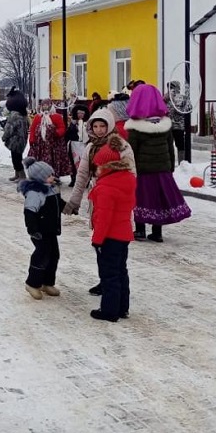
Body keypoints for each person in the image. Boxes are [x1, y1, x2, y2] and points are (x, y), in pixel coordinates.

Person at [63, 107, 135, 296]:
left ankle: (115, 286)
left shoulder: (121, 145)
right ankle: (106, 281)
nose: (99, 130)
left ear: (109, 125)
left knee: (115, 248)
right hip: (100, 200)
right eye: (95, 126)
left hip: (118, 201)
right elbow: (82, 175)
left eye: (102, 126)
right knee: (101, 243)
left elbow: (132, 173)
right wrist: (74, 201)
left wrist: (125, 198)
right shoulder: (90, 147)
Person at [125, 83, 192, 242]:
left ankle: (140, 230)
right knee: (158, 199)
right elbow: (170, 148)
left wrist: (127, 170)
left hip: (142, 171)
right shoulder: (165, 125)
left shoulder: (135, 127)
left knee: (141, 199)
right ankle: (157, 232)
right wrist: (170, 167)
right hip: (162, 170)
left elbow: (131, 152)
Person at [87, 135, 137, 322]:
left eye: (99, 166)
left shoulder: (106, 187)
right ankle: (122, 307)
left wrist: (97, 240)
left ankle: (109, 311)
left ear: (108, 166)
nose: (97, 170)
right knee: (121, 271)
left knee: (109, 275)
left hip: (109, 237)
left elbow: (103, 219)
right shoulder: (127, 180)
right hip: (124, 235)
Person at [19, 157, 64, 300]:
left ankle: (47, 282)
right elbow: (29, 212)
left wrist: (69, 207)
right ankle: (32, 283)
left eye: (52, 174)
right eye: (49, 175)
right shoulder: (35, 193)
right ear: (40, 177)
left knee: (54, 255)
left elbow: (58, 203)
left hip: (51, 229)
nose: (52, 177)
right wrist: (33, 230)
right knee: (42, 255)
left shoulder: (52, 188)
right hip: (40, 231)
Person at [28, 99, 70, 179]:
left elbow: (62, 128)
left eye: (47, 105)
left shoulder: (56, 116)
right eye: (43, 105)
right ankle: (41, 176)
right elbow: (33, 128)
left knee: (54, 160)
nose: (45, 107)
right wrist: (32, 139)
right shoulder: (38, 117)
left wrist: (56, 133)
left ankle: (54, 176)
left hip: (53, 144)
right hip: (40, 145)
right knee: (40, 161)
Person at [2, 87, 29, 181]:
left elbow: (9, 129)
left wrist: (4, 137)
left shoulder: (14, 115)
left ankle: (21, 175)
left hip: (15, 140)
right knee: (18, 157)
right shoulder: (23, 114)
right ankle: (17, 174)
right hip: (22, 140)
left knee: (16, 159)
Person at [65, 104, 90, 188]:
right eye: (79, 113)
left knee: (85, 162)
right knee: (73, 163)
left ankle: (85, 180)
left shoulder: (88, 123)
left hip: (84, 144)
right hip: (74, 144)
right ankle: (73, 179)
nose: (80, 115)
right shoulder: (72, 123)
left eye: (82, 113)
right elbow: (68, 134)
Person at [165, 81, 187, 164]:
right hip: (168, 125)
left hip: (178, 126)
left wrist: (175, 101)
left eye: (172, 87)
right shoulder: (166, 98)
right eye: (169, 88)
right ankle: (170, 163)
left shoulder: (182, 98)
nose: (171, 90)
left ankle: (182, 163)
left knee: (180, 145)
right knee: (168, 145)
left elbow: (184, 111)